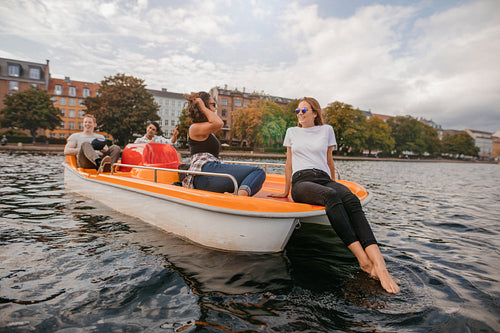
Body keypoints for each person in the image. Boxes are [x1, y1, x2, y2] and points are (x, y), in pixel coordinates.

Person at [269, 97, 400, 293]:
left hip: (323, 178)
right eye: (297, 111)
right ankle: (363, 261)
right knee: (330, 196)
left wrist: (335, 184)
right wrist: (285, 192)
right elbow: (288, 165)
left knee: (350, 199)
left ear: (315, 113)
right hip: (301, 182)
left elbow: (329, 162)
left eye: (304, 111)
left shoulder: (326, 130)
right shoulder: (292, 132)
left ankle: (380, 265)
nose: (299, 114)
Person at [182, 91, 266, 196]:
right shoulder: (194, 128)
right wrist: (202, 108)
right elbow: (219, 123)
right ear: (203, 105)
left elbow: (215, 124)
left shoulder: (205, 129)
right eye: (213, 105)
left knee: (252, 178)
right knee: (258, 172)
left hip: (207, 174)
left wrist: (204, 108)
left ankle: (237, 196)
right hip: (204, 173)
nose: (216, 108)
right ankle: (239, 198)